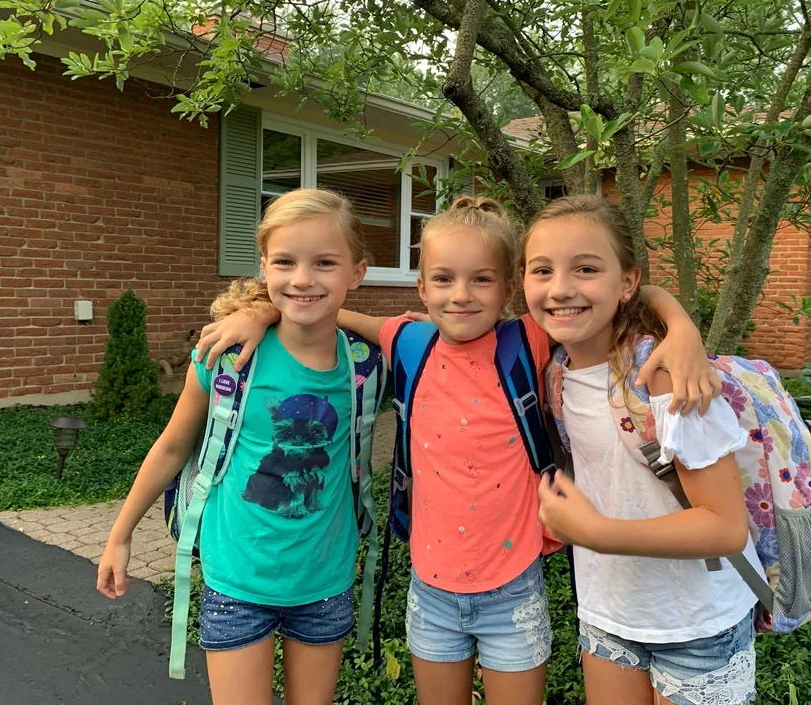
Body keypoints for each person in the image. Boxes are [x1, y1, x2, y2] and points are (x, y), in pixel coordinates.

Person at [196, 196, 719, 705]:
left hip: (514, 589)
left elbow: (627, 291)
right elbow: (322, 311)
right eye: (443, 279)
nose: (461, 295)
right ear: (422, 287)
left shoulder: (529, 339)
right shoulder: (409, 342)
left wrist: (681, 328)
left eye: (481, 280)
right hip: (431, 593)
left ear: (508, 289)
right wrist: (261, 312)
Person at [97, 188, 370, 705]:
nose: (303, 278)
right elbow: (172, 447)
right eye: (285, 262)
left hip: (325, 583)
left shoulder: (365, 365)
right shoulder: (228, 358)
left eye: (325, 263)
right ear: (264, 267)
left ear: (356, 273)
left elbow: (430, 334)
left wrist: (265, 311)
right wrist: (120, 534)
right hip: (237, 584)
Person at [527, 195, 762, 705]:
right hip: (608, 613)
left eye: (586, 269)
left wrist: (597, 533)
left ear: (626, 281)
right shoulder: (553, 371)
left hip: (698, 622)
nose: (560, 288)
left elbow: (725, 527)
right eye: (542, 270)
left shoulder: (664, 376)